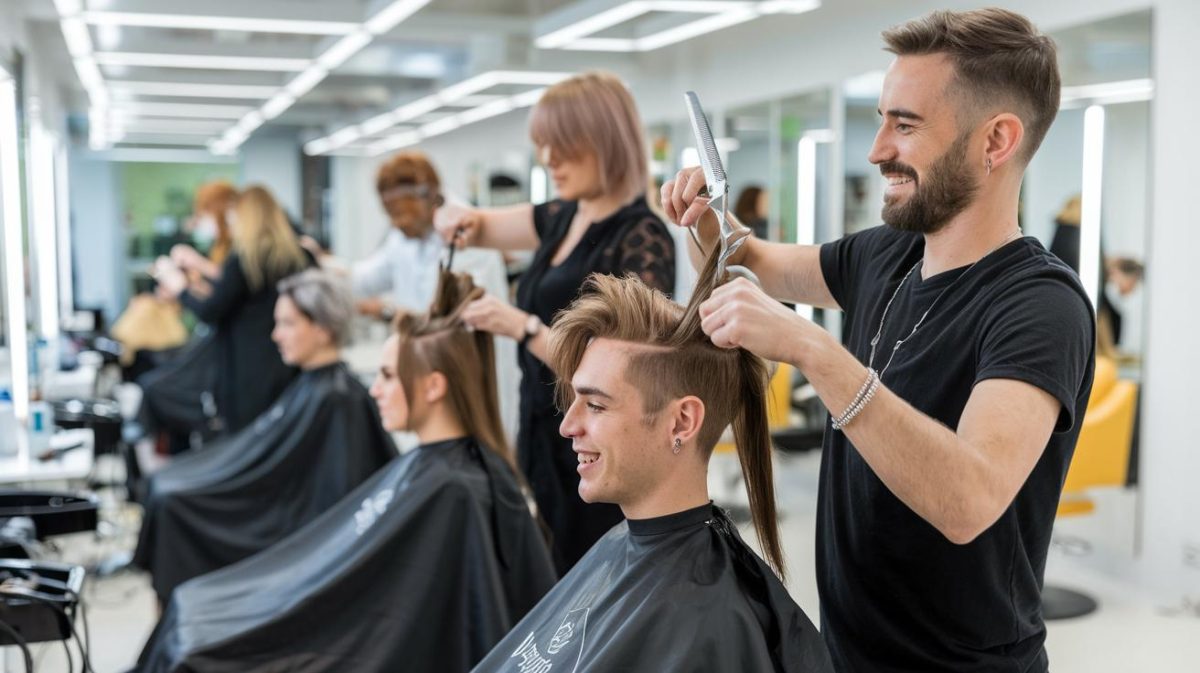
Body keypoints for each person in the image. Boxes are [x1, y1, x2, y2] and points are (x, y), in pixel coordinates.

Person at [662, 9, 1094, 672]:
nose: (877, 149)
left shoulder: (1040, 305)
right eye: (881, 118)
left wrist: (813, 349)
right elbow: (751, 261)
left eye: (905, 124)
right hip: (851, 652)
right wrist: (705, 220)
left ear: (996, 140)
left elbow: (969, 499)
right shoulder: (885, 255)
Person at [134, 270, 556, 673]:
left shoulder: (455, 488)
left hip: (346, 634)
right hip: (323, 599)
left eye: (388, 376)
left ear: (433, 386)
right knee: (191, 608)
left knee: (194, 641)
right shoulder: (451, 474)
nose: (375, 389)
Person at [470, 266, 831, 672]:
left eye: (596, 404)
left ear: (681, 423)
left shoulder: (705, 624)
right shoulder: (623, 546)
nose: (567, 426)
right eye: (574, 399)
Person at [435, 70, 676, 572]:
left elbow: (626, 366)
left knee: (590, 579)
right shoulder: (563, 216)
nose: (549, 160)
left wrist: (523, 328)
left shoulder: (641, 237)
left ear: (605, 143)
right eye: (544, 146)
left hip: (599, 449)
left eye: (562, 146)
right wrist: (453, 215)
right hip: (543, 430)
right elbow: (476, 225)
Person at [133, 269, 396, 600]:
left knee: (172, 501)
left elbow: (324, 502)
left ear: (322, 328)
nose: (275, 335)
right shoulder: (314, 387)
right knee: (164, 485)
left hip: (287, 527)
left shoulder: (339, 399)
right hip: (273, 502)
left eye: (287, 323)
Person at [308, 150, 520, 439]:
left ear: (427, 197)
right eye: (392, 217)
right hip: (426, 371)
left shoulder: (466, 235)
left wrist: (386, 312)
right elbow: (365, 279)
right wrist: (318, 262)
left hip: (470, 367)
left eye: (402, 217)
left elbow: (452, 319)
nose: (397, 225)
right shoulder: (405, 237)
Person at [153, 185, 313, 434]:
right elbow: (238, 294)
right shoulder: (300, 255)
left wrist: (180, 287)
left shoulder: (245, 257)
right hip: (292, 362)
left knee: (250, 441)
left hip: (249, 368)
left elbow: (212, 310)